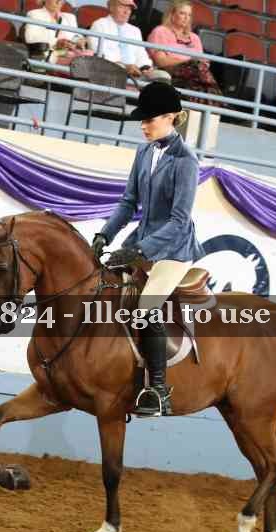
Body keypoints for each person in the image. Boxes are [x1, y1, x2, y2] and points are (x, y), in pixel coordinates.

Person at [91, 82, 205, 417]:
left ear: (170, 117)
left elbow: (179, 221)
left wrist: (140, 249)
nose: (143, 125)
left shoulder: (186, 161)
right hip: (141, 242)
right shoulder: (143, 152)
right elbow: (128, 202)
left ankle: (157, 390)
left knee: (145, 310)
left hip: (172, 250)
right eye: (142, 120)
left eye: (149, 119)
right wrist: (104, 235)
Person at [146, 0, 222, 105]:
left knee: (200, 76)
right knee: (198, 73)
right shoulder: (160, 31)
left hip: (195, 75)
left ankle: (210, 107)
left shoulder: (195, 38)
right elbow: (161, 61)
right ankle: (219, 106)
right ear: (172, 14)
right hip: (171, 72)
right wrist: (187, 61)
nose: (186, 18)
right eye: (182, 13)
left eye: (189, 15)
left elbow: (203, 63)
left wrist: (194, 63)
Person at [87, 0, 172, 83]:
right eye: (122, 6)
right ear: (111, 7)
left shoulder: (135, 30)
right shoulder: (99, 24)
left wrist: (145, 68)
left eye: (129, 8)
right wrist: (125, 67)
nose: (126, 11)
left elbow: (141, 54)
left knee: (163, 76)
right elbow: (98, 53)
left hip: (135, 73)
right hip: (110, 71)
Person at [24, 0, 91, 66]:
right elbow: (30, 38)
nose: (59, 1)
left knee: (89, 54)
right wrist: (57, 42)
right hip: (53, 53)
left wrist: (79, 41)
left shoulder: (70, 17)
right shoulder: (35, 14)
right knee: (83, 61)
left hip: (71, 52)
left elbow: (75, 36)